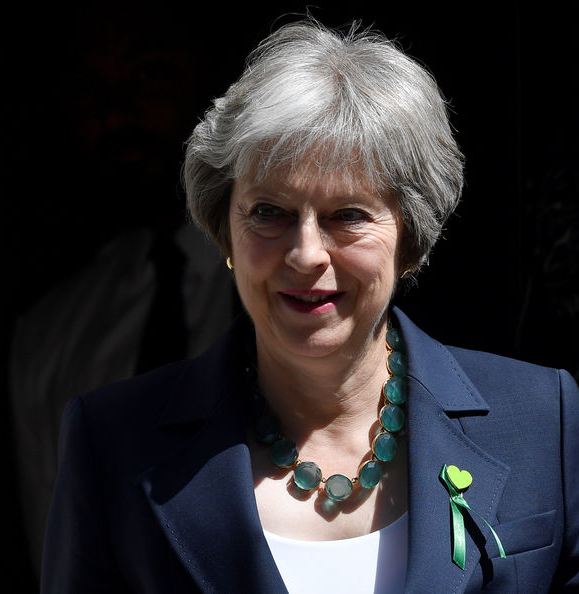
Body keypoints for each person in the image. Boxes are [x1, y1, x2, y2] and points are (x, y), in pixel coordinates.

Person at [41, 16, 579, 593]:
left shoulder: (542, 419)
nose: (305, 255)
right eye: (269, 212)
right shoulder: (113, 443)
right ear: (225, 232)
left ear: (411, 239)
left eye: (347, 215)